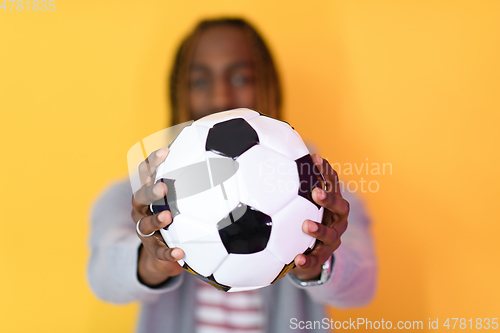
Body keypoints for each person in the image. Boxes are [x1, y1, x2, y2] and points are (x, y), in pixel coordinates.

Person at [88, 18, 377, 333]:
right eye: (200, 81)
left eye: (241, 77)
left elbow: (363, 285)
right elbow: (103, 278)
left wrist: (318, 264)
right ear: (177, 94)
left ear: (270, 85)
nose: (221, 99)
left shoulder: (321, 190)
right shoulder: (141, 196)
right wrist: (150, 261)